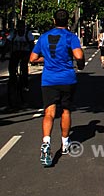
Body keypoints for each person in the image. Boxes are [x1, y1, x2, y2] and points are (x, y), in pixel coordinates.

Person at [30, 9, 85, 167]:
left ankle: (46, 142)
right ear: (67, 21)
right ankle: (65, 144)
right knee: (66, 110)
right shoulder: (71, 37)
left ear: (54, 20)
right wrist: (79, 65)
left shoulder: (44, 37)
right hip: (67, 78)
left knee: (49, 112)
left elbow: (33, 58)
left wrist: (46, 59)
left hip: (48, 80)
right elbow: (79, 56)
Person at [7, 20, 35, 92]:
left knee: (24, 67)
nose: (20, 29)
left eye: (22, 27)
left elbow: (32, 45)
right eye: (19, 27)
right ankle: (13, 79)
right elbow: (8, 44)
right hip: (15, 53)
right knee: (12, 67)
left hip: (25, 53)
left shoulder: (28, 34)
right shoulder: (13, 34)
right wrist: (4, 54)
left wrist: (32, 55)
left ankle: (25, 84)